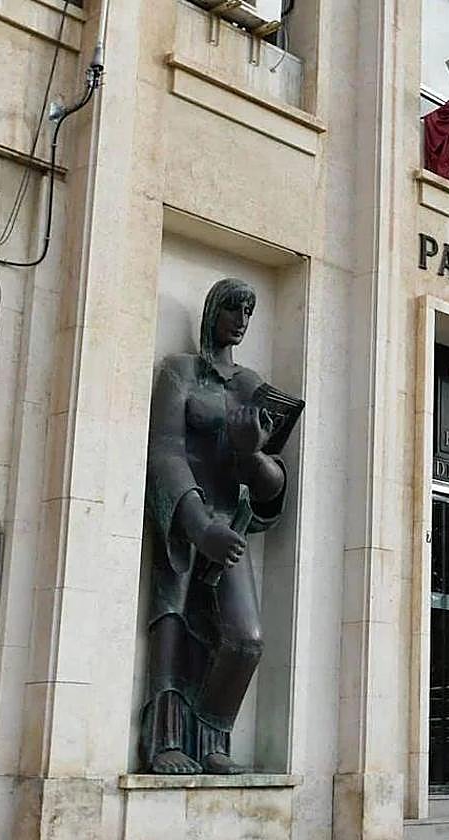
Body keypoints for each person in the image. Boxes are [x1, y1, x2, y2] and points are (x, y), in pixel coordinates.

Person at [141, 277, 288, 774]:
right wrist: (199, 525)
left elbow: (270, 484)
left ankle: (212, 740)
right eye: (233, 310)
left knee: (245, 639)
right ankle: (164, 743)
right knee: (176, 622)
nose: (242, 322)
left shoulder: (251, 387)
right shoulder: (178, 373)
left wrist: (252, 453)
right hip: (187, 518)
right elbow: (164, 451)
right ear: (212, 312)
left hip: (231, 524)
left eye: (249, 312)